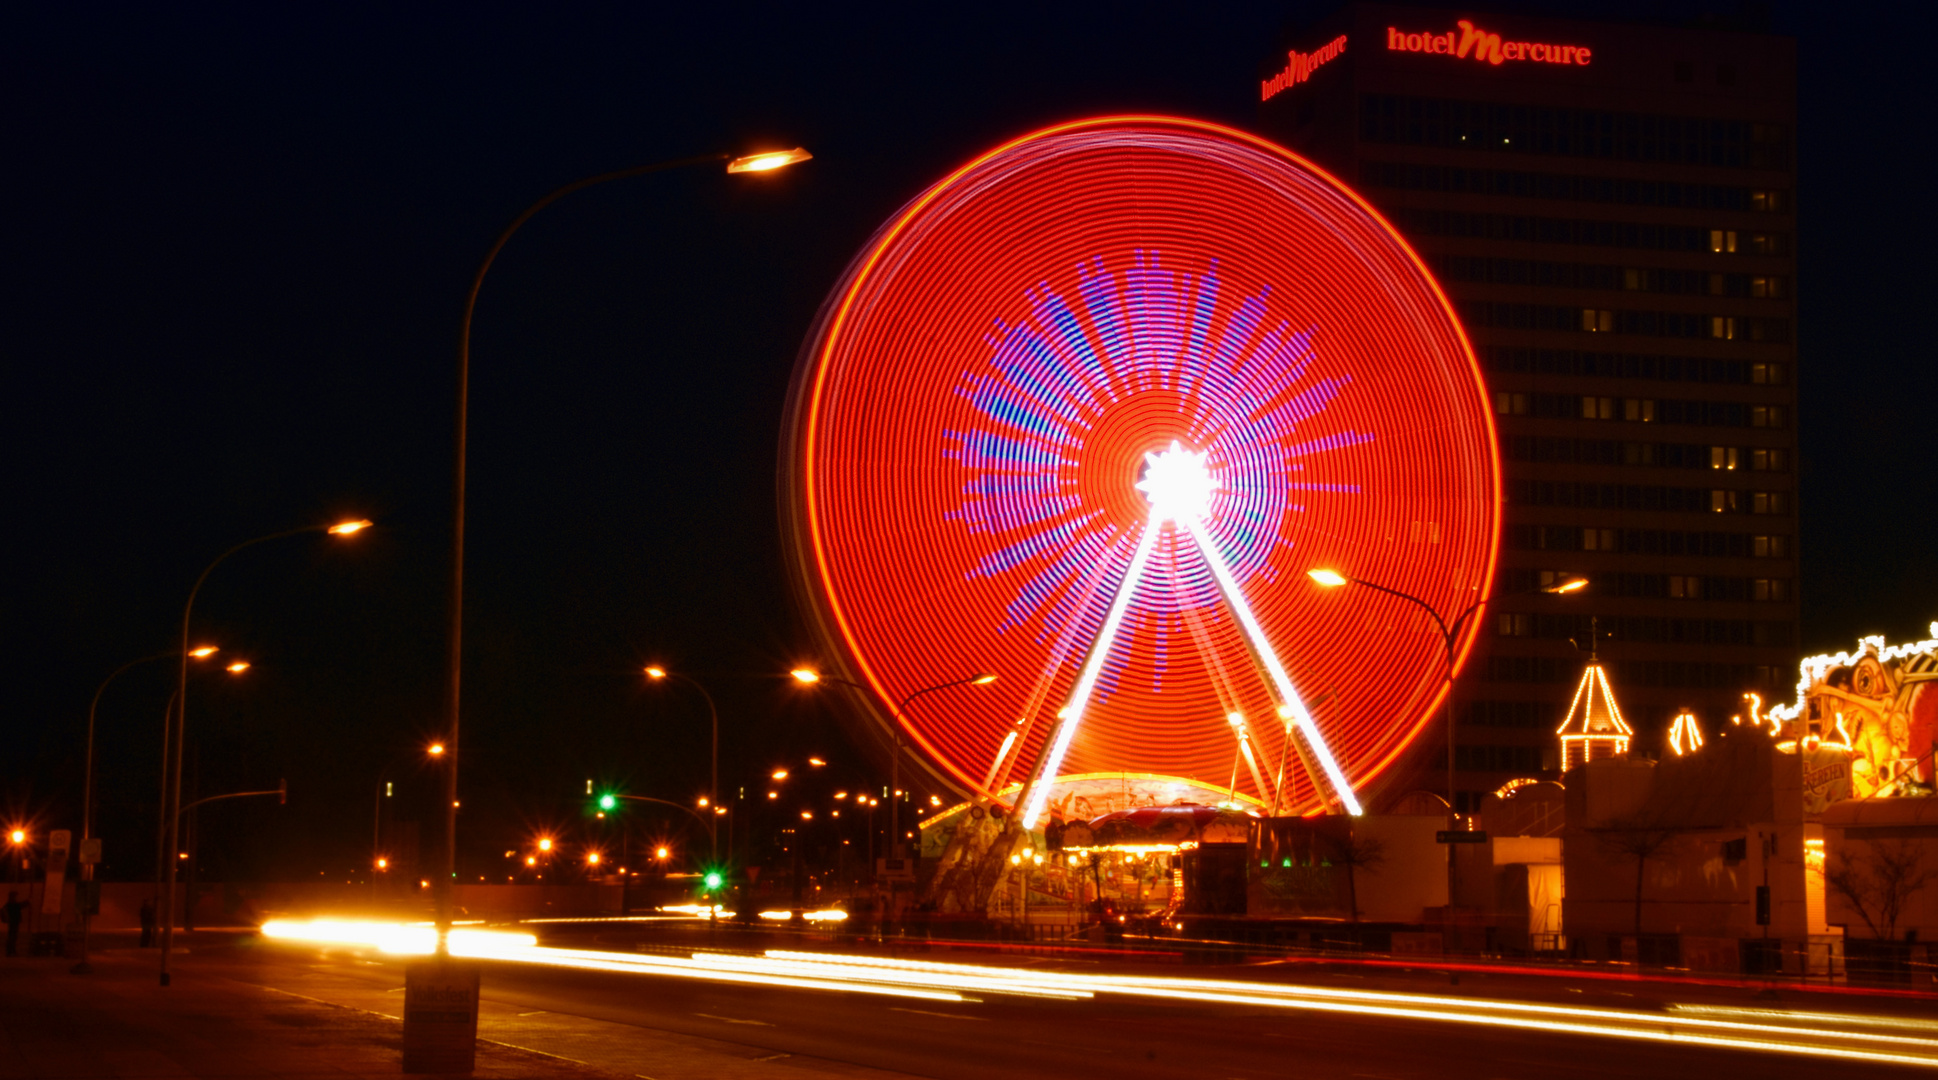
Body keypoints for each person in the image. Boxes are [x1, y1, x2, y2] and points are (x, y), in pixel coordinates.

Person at [2, 891, 23, 957]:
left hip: (12, 922)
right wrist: (28, 901)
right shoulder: (12, 904)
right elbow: (19, 906)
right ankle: (11, 951)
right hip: (14, 922)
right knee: (12, 937)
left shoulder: (9, 904)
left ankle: (11, 951)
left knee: (12, 936)